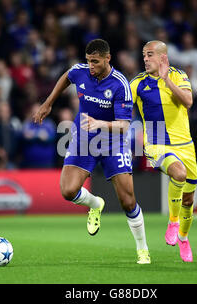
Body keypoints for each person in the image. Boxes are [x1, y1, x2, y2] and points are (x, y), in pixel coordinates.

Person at [33, 39, 150, 264]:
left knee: (128, 201)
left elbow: (124, 126)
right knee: (67, 190)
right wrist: (48, 103)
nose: (90, 66)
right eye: (88, 61)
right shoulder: (80, 71)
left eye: (95, 61)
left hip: (113, 143)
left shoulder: (120, 85)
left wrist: (99, 124)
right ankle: (95, 204)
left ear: (108, 58)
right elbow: (67, 76)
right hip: (84, 140)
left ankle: (142, 249)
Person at [130, 40, 197, 262]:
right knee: (178, 174)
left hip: (185, 144)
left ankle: (184, 239)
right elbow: (120, 107)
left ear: (162, 57)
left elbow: (188, 101)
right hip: (156, 143)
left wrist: (167, 79)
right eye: (143, 55)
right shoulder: (138, 83)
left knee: (188, 200)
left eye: (149, 55)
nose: (145, 59)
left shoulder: (178, 75)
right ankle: (172, 221)